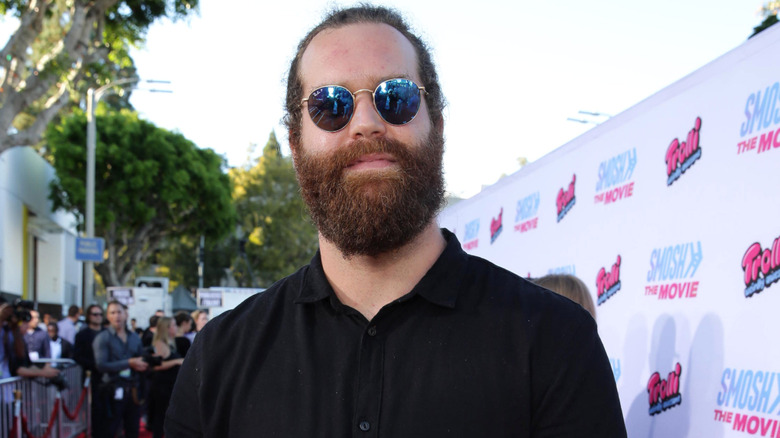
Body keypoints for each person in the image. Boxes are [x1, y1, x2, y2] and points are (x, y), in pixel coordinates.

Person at [166, 5, 626, 437]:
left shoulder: (555, 341)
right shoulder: (219, 359)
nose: (365, 123)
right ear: (294, 139)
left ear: (437, 125)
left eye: (396, 96)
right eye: (331, 105)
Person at [93, 300, 148, 438]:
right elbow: (101, 365)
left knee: (133, 430)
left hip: (133, 391)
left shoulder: (134, 337)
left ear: (126, 314)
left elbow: (141, 358)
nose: (116, 316)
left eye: (119, 312)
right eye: (112, 312)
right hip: (111, 391)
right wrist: (129, 363)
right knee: (110, 431)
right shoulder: (102, 338)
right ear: (108, 316)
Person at [147, 317, 184, 438]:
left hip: (169, 386)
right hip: (161, 387)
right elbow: (156, 366)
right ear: (166, 328)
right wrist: (176, 361)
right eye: (173, 325)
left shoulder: (170, 343)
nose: (176, 327)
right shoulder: (159, 344)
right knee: (160, 418)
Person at [73, 304, 106, 437]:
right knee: (94, 408)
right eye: (95, 314)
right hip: (90, 377)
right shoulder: (82, 335)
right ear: (88, 316)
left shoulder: (107, 333)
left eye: (100, 314)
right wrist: (94, 365)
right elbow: (77, 356)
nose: (98, 317)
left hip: (108, 377)